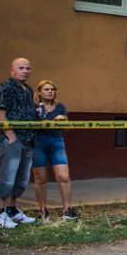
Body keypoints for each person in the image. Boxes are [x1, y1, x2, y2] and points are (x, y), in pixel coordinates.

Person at [0, 58, 38, 228]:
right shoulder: (6, 87)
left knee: (21, 180)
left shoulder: (28, 90)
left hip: (28, 141)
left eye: (28, 68)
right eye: (21, 68)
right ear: (12, 70)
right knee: (6, 178)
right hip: (11, 140)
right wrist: (11, 136)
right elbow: (0, 114)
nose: (25, 71)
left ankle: (11, 211)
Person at [31, 80, 77, 221]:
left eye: (52, 89)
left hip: (57, 142)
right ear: (39, 92)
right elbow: (28, 125)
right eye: (46, 89)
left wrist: (62, 121)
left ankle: (67, 210)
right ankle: (43, 211)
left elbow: (67, 127)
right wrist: (40, 123)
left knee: (64, 177)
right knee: (40, 179)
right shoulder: (33, 107)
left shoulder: (59, 107)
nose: (50, 91)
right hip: (38, 143)